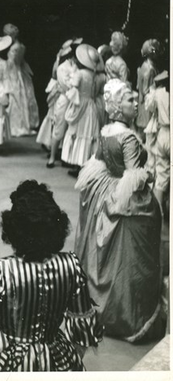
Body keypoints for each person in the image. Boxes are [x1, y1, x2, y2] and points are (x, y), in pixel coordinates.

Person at [0, 180, 104, 372]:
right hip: (55, 354)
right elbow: (82, 331)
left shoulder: (0, 270)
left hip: (9, 361)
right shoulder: (71, 265)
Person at [74, 78, 164, 342]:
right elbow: (132, 173)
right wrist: (146, 176)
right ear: (116, 105)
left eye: (135, 98)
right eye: (129, 100)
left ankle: (94, 303)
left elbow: (100, 161)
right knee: (127, 254)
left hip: (105, 189)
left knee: (100, 252)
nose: (135, 102)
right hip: (121, 194)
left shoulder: (106, 130)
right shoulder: (129, 138)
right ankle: (125, 314)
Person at [61, 44, 101, 177]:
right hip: (90, 105)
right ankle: (85, 163)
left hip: (80, 104)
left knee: (78, 132)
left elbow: (73, 87)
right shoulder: (94, 75)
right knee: (87, 132)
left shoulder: (79, 74)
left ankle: (77, 164)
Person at [45, 43, 78, 168]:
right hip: (65, 99)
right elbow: (66, 84)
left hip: (74, 100)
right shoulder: (62, 67)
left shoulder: (76, 67)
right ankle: (52, 157)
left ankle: (66, 157)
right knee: (59, 126)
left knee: (71, 129)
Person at [3, 24, 40, 136]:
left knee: (16, 97)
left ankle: (17, 124)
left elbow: (12, 63)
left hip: (14, 72)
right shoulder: (20, 46)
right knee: (19, 96)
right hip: (19, 71)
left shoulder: (16, 47)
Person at [145, 70, 170, 218]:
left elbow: (150, 108)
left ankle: (158, 213)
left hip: (162, 133)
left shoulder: (158, 93)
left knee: (161, 174)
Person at [136, 39, 160, 141]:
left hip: (144, 102)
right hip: (147, 104)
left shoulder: (145, 65)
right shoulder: (150, 69)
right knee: (147, 132)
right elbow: (145, 90)